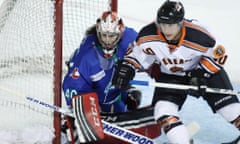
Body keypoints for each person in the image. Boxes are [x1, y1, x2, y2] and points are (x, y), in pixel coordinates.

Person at [111, 0, 240, 144]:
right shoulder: (148, 35)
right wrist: (126, 69)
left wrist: (200, 74)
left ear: (180, 23)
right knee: (163, 112)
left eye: (170, 26)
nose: (166, 30)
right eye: (162, 24)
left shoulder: (200, 35)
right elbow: (136, 56)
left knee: (230, 110)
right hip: (171, 75)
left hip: (204, 72)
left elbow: (219, 55)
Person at [61, 11, 142, 143]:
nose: (107, 41)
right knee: (83, 134)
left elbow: (150, 51)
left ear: (120, 34)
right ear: (98, 34)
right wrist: (85, 109)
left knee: (132, 101)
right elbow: (73, 86)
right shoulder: (86, 55)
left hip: (114, 97)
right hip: (93, 99)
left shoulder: (130, 39)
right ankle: (70, 126)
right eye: (104, 36)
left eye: (112, 36)